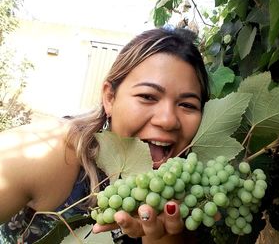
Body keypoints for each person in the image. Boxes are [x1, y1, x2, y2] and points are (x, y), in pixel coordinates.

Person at [0, 27, 210, 243]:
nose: (168, 120)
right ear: (110, 97)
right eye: (148, 96)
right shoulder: (50, 151)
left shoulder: (191, 195)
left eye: (187, 104)